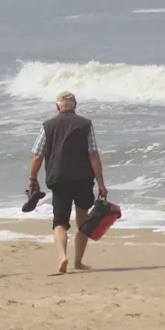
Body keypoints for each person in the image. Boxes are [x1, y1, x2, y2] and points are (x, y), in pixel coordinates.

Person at [28, 91, 108, 274]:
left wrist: (32, 179)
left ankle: (62, 257)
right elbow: (93, 154)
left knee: (60, 222)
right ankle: (78, 262)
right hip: (83, 179)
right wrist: (101, 184)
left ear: (58, 106)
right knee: (82, 221)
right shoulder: (85, 124)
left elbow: (38, 156)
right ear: (75, 105)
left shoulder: (48, 125)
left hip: (59, 179)